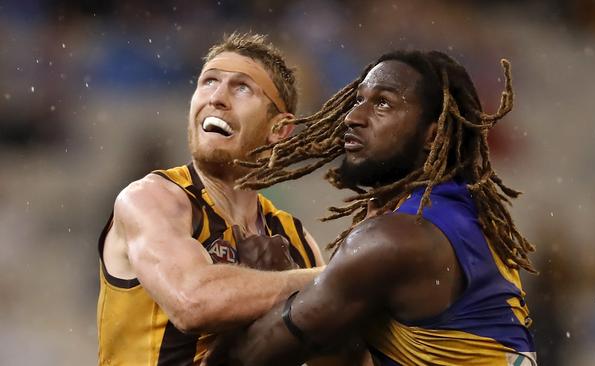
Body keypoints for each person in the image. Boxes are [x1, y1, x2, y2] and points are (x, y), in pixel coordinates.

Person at [227, 50, 537, 365]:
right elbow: (346, 353)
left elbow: (251, 356)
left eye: (383, 103)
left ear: (433, 134)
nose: (353, 117)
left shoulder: (398, 238)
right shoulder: (465, 217)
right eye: (358, 100)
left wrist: (270, 284)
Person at [96, 32, 325, 365]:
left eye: (242, 87)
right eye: (208, 82)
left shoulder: (297, 240)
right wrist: (318, 282)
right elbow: (192, 303)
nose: (217, 97)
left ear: (279, 130)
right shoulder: (151, 199)